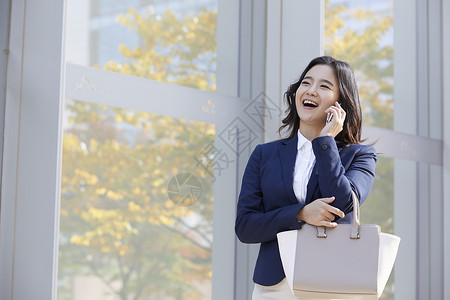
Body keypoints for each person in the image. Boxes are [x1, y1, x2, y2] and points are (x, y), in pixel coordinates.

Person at [235, 56, 377, 299]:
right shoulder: (264, 155)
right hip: (274, 286)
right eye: (306, 83)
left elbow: (343, 202)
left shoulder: (361, 155)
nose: (311, 91)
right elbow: (246, 226)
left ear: (340, 103)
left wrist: (326, 142)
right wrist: (299, 214)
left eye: (324, 86)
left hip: (333, 283)